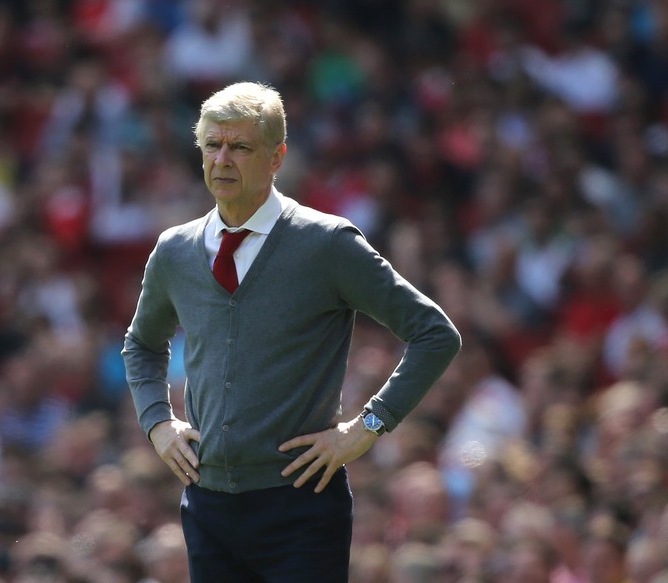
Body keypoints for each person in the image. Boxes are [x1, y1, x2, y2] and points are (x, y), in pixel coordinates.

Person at [122, 81, 462, 582]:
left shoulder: (327, 244)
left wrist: (365, 428)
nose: (222, 159)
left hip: (301, 508)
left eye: (240, 147)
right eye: (212, 145)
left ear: (277, 157)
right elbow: (142, 345)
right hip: (207, 506)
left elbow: (435, 333)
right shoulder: (174, 249)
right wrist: (157, 423)